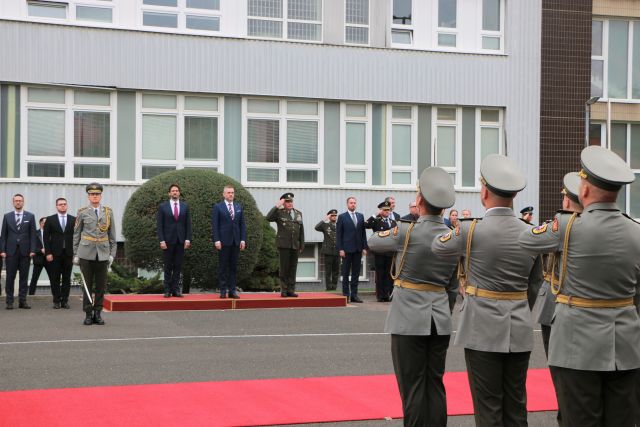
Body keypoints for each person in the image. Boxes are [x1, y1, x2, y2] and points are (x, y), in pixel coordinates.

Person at [519, 146, 640, 427]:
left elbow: (525, 241)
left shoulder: (566, 226)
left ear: (583, 190)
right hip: (625, 347)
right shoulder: (636, 231)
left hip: (576, 347)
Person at [431, 154, 543, 427]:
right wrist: (518, 306)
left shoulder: (471, 230)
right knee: (516, 405)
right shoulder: (530, 232)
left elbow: (437, 246)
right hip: (518, 326)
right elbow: (535, 284)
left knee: (488, 406)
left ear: (484, 192)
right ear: (514, 195)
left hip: (481, 329)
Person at [369, 167, 459, 427]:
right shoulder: (453, 236)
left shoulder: (406, 231)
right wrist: (443, 310)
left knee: (413, 387)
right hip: (439, 317)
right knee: (435, 383)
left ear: (419, 200)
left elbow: (374, 242)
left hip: (408, 319)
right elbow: (453, 287)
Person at [530, 173, 582, 358]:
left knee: (555, 358)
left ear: (566, 201)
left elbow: (526, 240)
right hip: (589, 305)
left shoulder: (558, 227)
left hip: (556, 298)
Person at [73, 183, 116, 326]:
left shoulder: (108, 212)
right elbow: (76, 234)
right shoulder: (82, 212)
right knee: (87, 285)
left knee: (101, 286)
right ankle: (88, 313)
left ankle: (98, 313)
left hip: (103, 253)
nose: (95, 196)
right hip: (85, 253)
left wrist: (112, 254)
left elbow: (112, 236)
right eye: (92, 194)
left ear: (100, 196)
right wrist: (75, 254)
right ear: (88, 196)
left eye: (97, 194)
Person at [0, 194, 37, 310]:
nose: (18, 202)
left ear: (23, 202)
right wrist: (2, 250)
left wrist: (32, 249)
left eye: (20, 200)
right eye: (16, 200)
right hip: (11, 252)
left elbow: (33, 235)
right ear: (13, 202)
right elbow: (3, 235)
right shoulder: (7, 216)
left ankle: (22, 301)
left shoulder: (30, 216)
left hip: (25, 252)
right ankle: (9, 301)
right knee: (10, 277)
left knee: (24, 278)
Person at [156, 183, 192, 298]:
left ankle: (176, 289)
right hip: (167, 241)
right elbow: (159, 225)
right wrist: (161, 240)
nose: (175, 192)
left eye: (176, 190)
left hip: (181, 241)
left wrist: (188, 239)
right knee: (168, 266)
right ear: (169, 193)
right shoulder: (163, 207)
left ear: (179, 193)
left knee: (177, 266)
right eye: (173, 191)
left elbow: (188, 224)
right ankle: (167, 290)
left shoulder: (185, 206)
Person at [266, 193, 304, 298]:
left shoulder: (298, 213)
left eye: (291, 201)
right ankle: (284, 290)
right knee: (284, 268)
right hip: (284, 245)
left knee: (293, 268)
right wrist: (277, 205)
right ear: (283, 203)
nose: (290, 203)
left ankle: (291, 290)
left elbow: (301, 230)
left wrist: (302, 244)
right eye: (287, 202)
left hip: (295, 245)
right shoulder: (279, 212)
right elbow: (268, 218)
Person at [212, 185, 246, 299]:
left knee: (233, 267)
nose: (231, 194)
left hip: (236, 241)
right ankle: (223, 291)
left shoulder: (238, 206)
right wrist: (216, 240)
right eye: (228, 192)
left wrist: (243, 239)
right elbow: (215, 225)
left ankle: (232, 291)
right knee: (223, 267)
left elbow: (242, 225)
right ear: (224, 194)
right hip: (223, 241)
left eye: (232, 192)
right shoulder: (218, 207)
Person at [44, 198, 75, 309]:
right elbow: (46, 237)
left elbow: (77, 237)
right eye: (60, 204)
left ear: (67, 205)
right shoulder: (50, 219)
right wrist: (48, 253)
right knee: (55, 278)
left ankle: (65, 301)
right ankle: (56, 301)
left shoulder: (73, 219)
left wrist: (75, 254)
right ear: (56, 206)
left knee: (67, 278)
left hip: (69, 254)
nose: (62, 206)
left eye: (64, 204)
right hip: (54, 254)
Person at [336, 197, 367, 303]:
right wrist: (340, 249)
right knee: (345, 273)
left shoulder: (360, 216)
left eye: (354, 203)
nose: (353, 204)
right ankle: (346, 295)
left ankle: (354, 295)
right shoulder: (342, 217)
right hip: (346, 249)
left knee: (356, 273)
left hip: (358, 249)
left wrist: (364, 247)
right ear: (347, 204)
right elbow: (339, 234)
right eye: (351, 203)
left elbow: (363, 233)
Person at [365, 201, 397, 302]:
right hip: (379, 252)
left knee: (389, 275)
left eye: (388, 210)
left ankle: (388, 294)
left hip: (390, 252)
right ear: (381, 211)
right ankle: (381, 295)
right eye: (385, 210)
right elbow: (365, 225)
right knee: (380, 274)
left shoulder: (393, 222)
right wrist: (375, 215)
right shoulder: (376, 221)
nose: (387, 211)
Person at [314, 209, 340, 291]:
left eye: (335, 215)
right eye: (332, 215)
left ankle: (334, 287)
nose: (334, 217)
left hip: (337, 251)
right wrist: (325, 219)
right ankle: (328, 287)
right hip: (328, 251)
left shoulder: (339, 225)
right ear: (329, 216)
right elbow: (316, 227)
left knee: (336, 271)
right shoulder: (325, 225)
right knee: (328, 271)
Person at [29, 217, 50, 297]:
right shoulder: (35, 233)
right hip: (38, 259)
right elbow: (32, 246)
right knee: (34, 278)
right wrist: (40, 250)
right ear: (40, 223)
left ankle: (56, 295)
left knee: (53, 278)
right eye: (43, 223)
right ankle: (31, 295)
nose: (45, 224)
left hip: (49, 259)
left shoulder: (51, 233)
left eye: (46, 223)